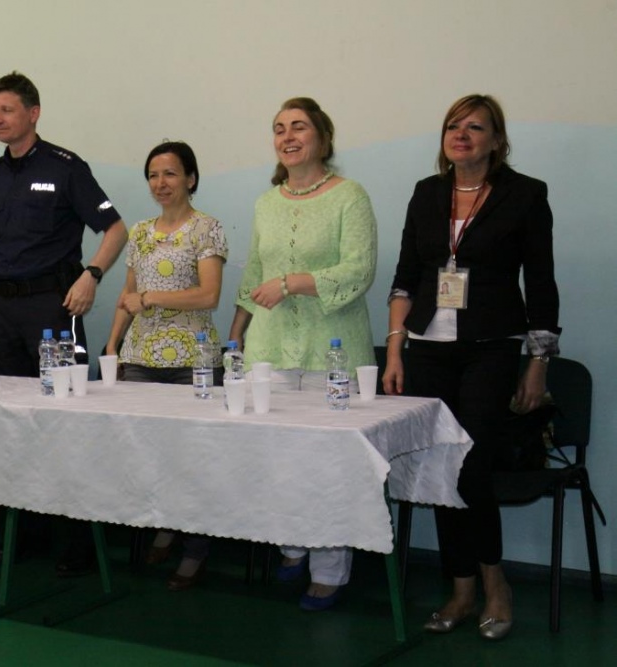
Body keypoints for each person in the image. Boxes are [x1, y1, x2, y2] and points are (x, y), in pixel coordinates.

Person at [383, 94, 560, 641]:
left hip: (491, 345)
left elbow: (542, 283)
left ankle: (494, 581)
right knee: (440, 465)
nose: (461, 134)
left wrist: (538, 364)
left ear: (496, 141)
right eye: (453, 126)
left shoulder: (525, 194)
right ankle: (460, 590)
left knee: (471, 465)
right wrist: (395, 350)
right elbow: (406, 275)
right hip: (426, 346)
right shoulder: (426, 193)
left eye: (475, 127)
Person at [0, 71, 128, 575]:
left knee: (64, 421)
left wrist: (92, 276)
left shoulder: (65, 167)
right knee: (12, 421)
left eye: (7, 110)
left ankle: (79, 542)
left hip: (51, 310)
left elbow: (115, 229)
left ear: (33, 113)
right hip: (4, 313)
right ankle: (27, 533)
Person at [228, 97, 377, 611]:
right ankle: (292, 546)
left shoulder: (350, 196)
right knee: (275, 458)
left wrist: (293, 282)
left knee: (327, 464)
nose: (287, 137)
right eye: (279, 129)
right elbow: (254, 275)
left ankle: (329, 570)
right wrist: (237, 332)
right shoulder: (266, 203)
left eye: (298, 127)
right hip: (269, 349)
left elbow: (359, 270)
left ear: (323, 138)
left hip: (329, 351)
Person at [105, 140, 227, 592]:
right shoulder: (139, 232)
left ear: (190, 179)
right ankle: (165, 526)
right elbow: (127, 297)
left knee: (193, 459)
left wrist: (151, 298)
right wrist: (112, 345)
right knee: (150, 457)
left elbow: (209, 295)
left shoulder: (207, 228)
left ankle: (195, 549)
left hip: (192, 361)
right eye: (153, 175)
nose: (161, 183)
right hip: (140, 359)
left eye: (171, 173)